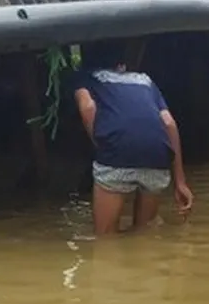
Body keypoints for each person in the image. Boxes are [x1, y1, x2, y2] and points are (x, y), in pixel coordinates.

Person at [72, 40, 194, 235]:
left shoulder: (86, 77)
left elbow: (87, 107)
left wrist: (101, 143)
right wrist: (180, 181)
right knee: (144, 233)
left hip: (117, 151)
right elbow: (169, 124)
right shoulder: (144, 80)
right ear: (122, 63)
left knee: (105, 238)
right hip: (157, 155)